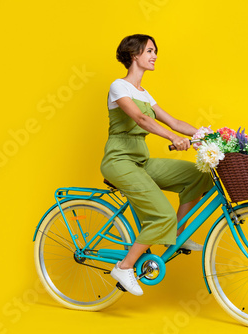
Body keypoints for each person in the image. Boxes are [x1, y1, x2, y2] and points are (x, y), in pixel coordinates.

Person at [100, 34, 213, 296]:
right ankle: (124, 266)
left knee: (199, 174)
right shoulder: (119, 86)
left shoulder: (144, 93)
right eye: (150, 50)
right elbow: (140, 119)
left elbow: (174, 122)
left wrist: (206, 136)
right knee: (161, 214)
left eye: (155, 51)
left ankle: (178, 232)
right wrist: (174, 139)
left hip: (140, 160)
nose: (155, 56)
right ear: (134, 55)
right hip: (119, 160)